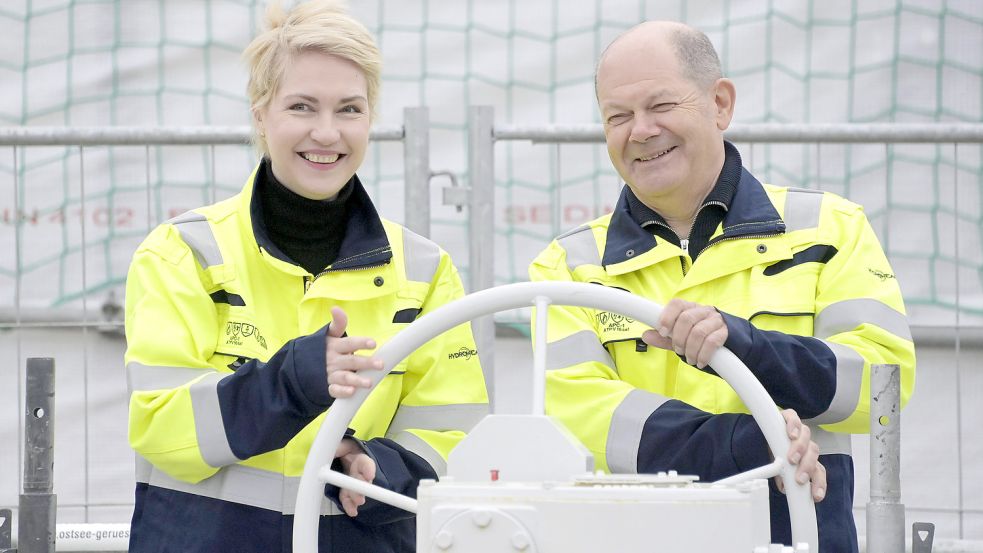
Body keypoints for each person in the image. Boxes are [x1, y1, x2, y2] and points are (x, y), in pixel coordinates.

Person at [529, 20, 915, 553]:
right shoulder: (566, 266)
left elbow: (882, 388)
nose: (639, 130)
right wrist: (755, 446)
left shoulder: (830, 228)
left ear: (721, 104)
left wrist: (750, 346)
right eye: (618, 116)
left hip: (797, 534)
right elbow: (578, 416)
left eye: (660, 106)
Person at [123, 2, 488, 551]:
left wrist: (377, 466)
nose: (326, 132)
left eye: (349, 109)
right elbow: (161, 426)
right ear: (260, 115)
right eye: (301, 106)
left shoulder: (426, 271)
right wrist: (290, 382)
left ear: (370, 119)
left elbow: (453, 434)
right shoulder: (184, 253)